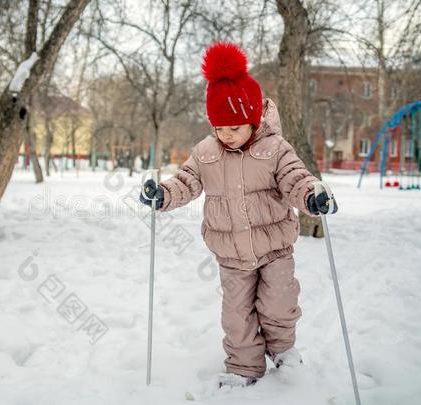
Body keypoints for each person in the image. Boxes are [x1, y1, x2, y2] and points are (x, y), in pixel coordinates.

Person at [138, 42, 338, 388]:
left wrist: (311, 195)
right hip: (230, 253)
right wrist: (163, 194)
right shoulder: (205, 153)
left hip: (274, 248)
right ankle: (243, 366)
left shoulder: (275, 149)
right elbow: (186, 181)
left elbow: (295, 178)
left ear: (252, 118)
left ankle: (283, 352)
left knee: (278, 304)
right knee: (236, 315)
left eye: (234, 127)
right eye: (219, 128)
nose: (226, 135)